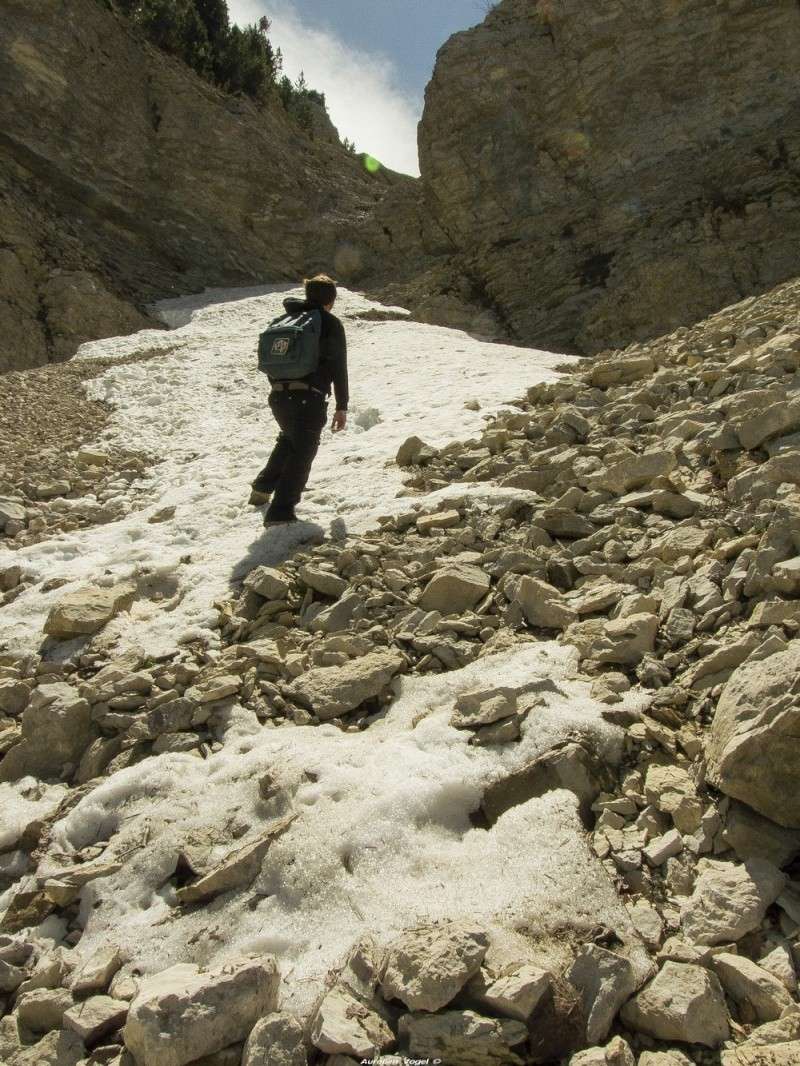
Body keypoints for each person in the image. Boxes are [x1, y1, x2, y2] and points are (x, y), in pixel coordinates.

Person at [250, 274, 348, 525]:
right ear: (332, 299)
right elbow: (339, 366)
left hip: (279, 396)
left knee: (289, 440)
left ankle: (261, 489)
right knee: (303, 452)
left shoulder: (287, 320)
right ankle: (281, 513)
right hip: (309, 397)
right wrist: (342, 405)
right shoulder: (328, 323)